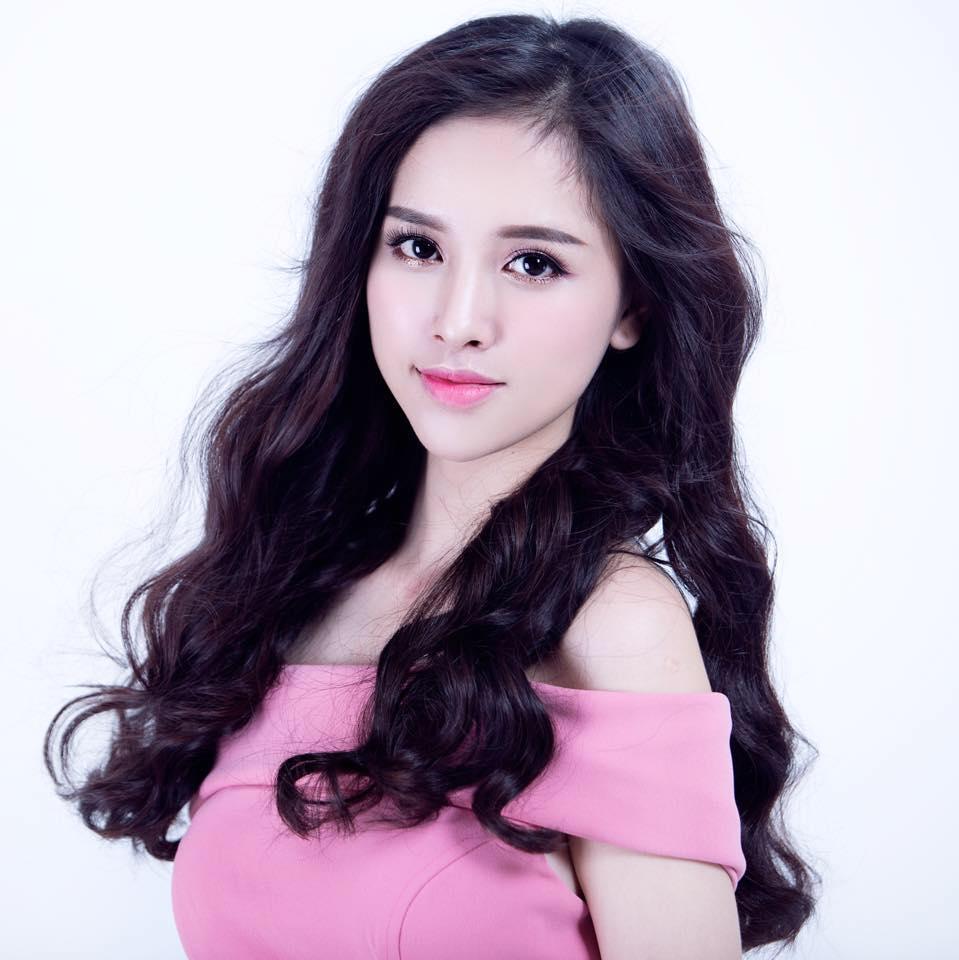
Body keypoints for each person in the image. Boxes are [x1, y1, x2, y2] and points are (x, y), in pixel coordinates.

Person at [44, 12, 820, 958]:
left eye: (532, 263)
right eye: (418, 247)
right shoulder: (296, 592)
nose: (457, 320)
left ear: (634, 306)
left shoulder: (612, 625)